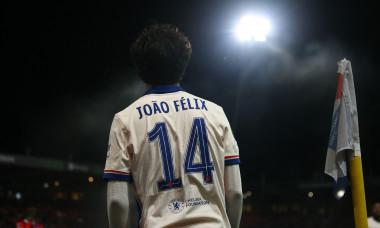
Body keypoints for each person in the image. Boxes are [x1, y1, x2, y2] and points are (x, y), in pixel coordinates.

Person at [103, 23, 243, 228]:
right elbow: (236, 193)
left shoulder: (125, 119)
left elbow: (117, 200)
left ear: (140, 69)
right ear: (183, 64)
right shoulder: (215, 112)